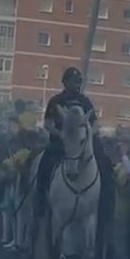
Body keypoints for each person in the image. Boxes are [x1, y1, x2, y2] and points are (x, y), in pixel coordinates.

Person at [35, 67, 97, 215]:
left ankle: (104, 203)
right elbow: (48, 124)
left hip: (82, 143)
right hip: (60, 141)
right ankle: (41, 198)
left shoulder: (85, 101)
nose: (74, 85)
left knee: (103, 162)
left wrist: (90, 135)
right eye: (71, 81)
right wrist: (60, 134)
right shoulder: (56, 100)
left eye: (76, 82)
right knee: (45, 163)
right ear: (65, 82)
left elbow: (95, 123)